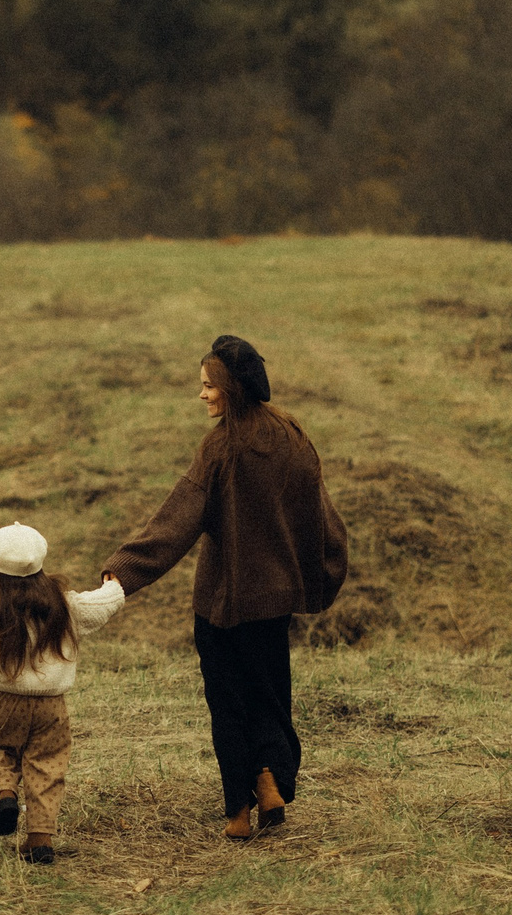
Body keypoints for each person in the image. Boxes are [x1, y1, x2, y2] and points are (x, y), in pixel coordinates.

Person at [100, 335, 350, 841]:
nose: (202, 395)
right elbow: (319, 516)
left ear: (231, 389)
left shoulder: (221, 446)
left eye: (208, 386)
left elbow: (176, 520)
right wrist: (321, 571)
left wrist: (123, 572)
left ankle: (238, 811)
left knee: (228, 701)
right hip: (273, 603)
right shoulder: (293, 435)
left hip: (221, 606)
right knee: (271, 694)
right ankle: (271, 778)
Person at [0, 521, 126, 864]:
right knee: (47, 766)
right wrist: (114, 585)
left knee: (1, 749)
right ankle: (40, 839)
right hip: (52, 705)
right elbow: (102, 604)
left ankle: (5, 794)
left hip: (5, 703)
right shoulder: (65, 606)